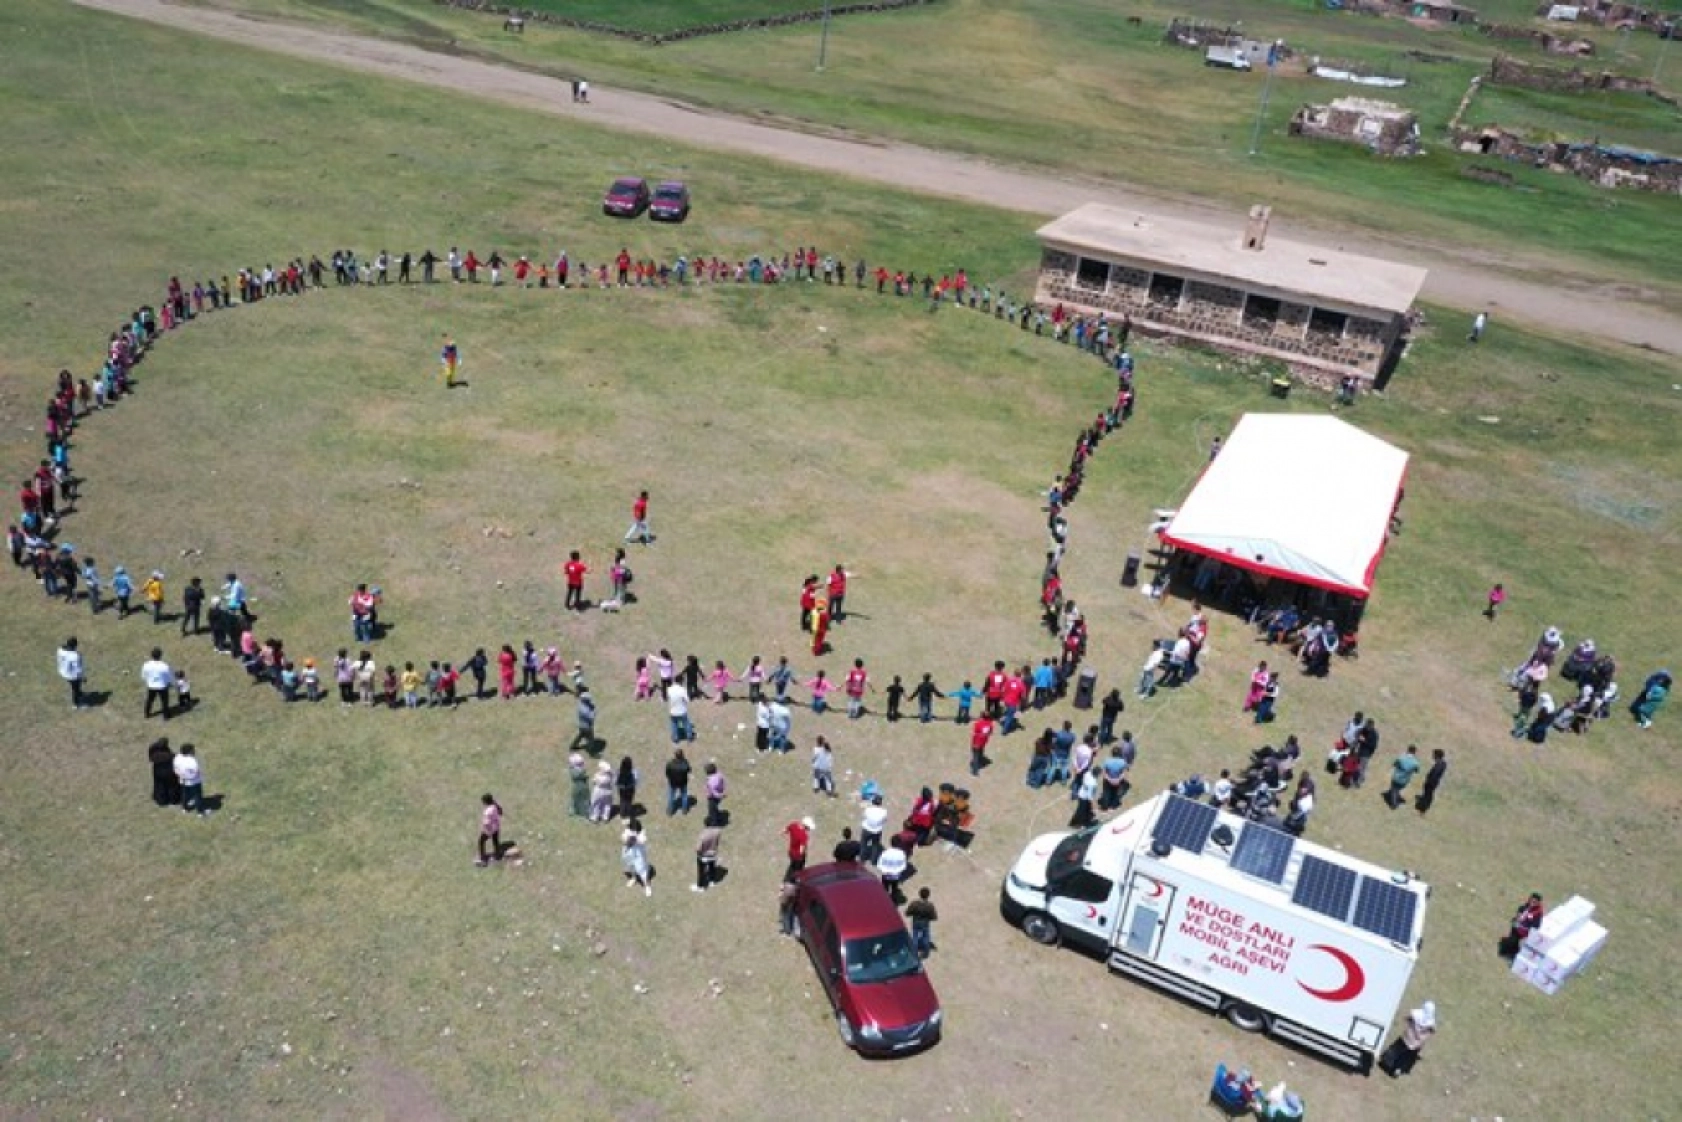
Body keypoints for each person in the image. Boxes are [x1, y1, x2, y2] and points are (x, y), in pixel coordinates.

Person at [1378, 1001, 1436, 1077]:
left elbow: (1408, 1018)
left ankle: (1385, 1063)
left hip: (1407, 1038)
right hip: (1416, 1044)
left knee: (1395, 1051)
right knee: (1405, 1058)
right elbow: (1429, 1032)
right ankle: (1397, 1070)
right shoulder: (1429, 1023)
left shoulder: (1416, 1016)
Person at [1500, 893, 1545, 957]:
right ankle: (1508, 949)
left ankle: (1513, 954)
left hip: (1524, 931)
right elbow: (1522, 910)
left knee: (1515, 940)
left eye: (1534, 902)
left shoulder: (1538, 913)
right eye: (1531, 900)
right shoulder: (1528, 905)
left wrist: (1522, 926)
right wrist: (1517, 917)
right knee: (1512, 938)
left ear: (1538, 903)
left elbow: (1535, 926)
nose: (1532, 902)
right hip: (1517, 926)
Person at [621, 818, 652, 896]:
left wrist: (634, 838)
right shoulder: (627, 831)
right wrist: (629, 840)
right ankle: (634, 878)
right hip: (629, 853)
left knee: (643, 871)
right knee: (631, 867)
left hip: (639, 855)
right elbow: (624, 840)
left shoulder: (642, 833)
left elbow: (642, 840)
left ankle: (647, 886)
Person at [141, 647, 175, 720]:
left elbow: (143, 675)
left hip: (151, 686)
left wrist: (148, 681)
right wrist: (170, 683)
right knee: (164, 701)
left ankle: (147, 714)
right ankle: (166, 716)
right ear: (160, 655)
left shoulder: (146, 664)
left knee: (149, 700)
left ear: (151, 655)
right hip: (162, 686)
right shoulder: (164, 666)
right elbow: (170, 676)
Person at [1385, 745, 1421, 809]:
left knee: (1394, 790)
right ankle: (1397, 798)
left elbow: (1394, 764)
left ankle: (1393, 805)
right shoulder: (1415, 762)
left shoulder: (1401, 757)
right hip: (1405, 780)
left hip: (1396, 777)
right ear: (1414, 752)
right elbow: (1417, 771)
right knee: (1397, 789)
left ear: (1408, 750)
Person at [906, 887, 939, 957]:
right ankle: (925, 953)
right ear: (928, 895)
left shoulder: (914, 903)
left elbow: (907, 913)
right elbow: (934, 917)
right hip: (925, 924)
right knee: (926, 938)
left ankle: (914, 953)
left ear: (919, 894)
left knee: (915, 937)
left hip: (916, 923)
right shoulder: (930, 905)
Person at [174, 744, 206, 816]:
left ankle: (184, 808)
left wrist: (180, 775)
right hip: (194, 782)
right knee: (197, 796)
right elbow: (196, 771)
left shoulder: (178, 758)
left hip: (182, 780)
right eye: (193, 750)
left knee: (184, 795)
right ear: (189, 751)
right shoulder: (192, 761)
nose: (194, 751)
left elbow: (176, 769)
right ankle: (200, 812)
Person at [57, 636, 88, 709]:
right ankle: (76, 704)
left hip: (62, 671)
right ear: (75, 645)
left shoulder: (60, 650)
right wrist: (83, 677)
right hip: (71, 676)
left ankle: (80, 693)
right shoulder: (75, 656)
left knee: (75, 687)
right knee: (75, 689)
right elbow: (78, 669)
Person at [148, 737, 179, 807]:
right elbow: (174, 758)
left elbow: (151, 759)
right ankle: (173, 800)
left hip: (157, 772)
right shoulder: (168, 755)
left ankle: (161, 801)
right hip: (168, 772)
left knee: (159, 786)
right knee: (172, 786)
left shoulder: (153, 751)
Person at [1416, 749, 1448, 813]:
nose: (1432, 756)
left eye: (1434, 754)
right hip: (1433, 783)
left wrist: (1429, 781)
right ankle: (1422, 806)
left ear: (1437, 755)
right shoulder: (1442, 763)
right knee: (1428, 795)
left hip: (1431, 783)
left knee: (1428, 795)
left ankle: (1422, 808)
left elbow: (1435, 773)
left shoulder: (1440, 764)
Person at [877, 839, 908, 904]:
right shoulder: (901, 853)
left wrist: (886, 871)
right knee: (894, 889)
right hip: (896, 877)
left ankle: (884, 901)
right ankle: (893, 901)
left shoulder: (885, 853)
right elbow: (903, 866)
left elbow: (879, 865)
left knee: (884, 889)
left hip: (886, 876)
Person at [475, 793, 503, 865]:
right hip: (496, 827)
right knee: (495, 841)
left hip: (489, 829)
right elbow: (500, 813)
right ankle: (498, 855)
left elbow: (486, 823)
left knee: (481, 841)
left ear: (485, 801)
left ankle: (483, 858)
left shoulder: (487, 811)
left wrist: (485, 830)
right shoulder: (495, 806)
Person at [694, 824, 723, 892]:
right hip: (713, 854)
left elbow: (698, 848)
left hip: (704, 856)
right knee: (712, 867)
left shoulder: (703, 835)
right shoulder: (717, 832)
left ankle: (701, 886)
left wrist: (697, 851)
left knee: (701, 871)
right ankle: (712, 881)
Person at [861, 794, 888, 865]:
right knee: (875, 846)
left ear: (873, 801)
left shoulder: (868, 809)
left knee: (863, 844)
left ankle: (862, 859)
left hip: (866, 829)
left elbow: (864, 817)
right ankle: (873, 861)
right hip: (877, 831)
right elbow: (884, 821)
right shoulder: (884, 812)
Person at [784, 816, 814, 880]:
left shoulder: (794, 825)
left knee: (792, 865)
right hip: (798, 856)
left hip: (791, 852)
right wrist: (802, 857)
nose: (809, 829)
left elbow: (786, 830)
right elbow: (801, 849)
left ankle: (787, 879)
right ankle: (794, 880)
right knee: (797, 869)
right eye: (809, 828)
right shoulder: (804, 835)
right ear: (806, 826)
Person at [703, 761, 726, 827]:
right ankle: (718, 816)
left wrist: (720, 795)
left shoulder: (711, 782)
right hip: (720, 793)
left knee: (711, 812)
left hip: (713, 798)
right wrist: (722, 792)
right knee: (714, 808)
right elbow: (723, 783)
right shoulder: (719, 775)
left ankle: (714, 826)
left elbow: (714, 793)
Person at [568, 753, 590, 818]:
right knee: (583, 799)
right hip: (581, 787)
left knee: (576, 798)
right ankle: (586, 812)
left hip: (578, 787)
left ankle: (574, 810)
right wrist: (585, 776)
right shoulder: (579, 771)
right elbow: (582, 776)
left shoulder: (573, 770)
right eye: (581, 763)